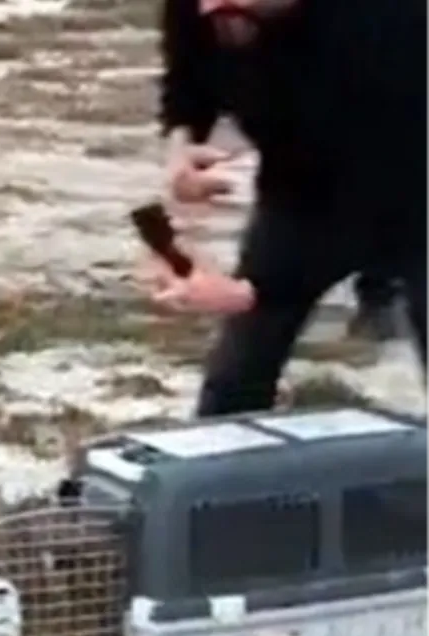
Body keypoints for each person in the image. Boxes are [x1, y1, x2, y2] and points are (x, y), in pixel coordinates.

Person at [148, 0, 429, 417]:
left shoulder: (388, 22)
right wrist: (181, 151)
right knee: (234, 380)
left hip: (413, 189)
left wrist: (256, 289)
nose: (216, 10)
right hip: (298, 196)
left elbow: (376, 168)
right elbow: (187, 82)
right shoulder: (200, 10)